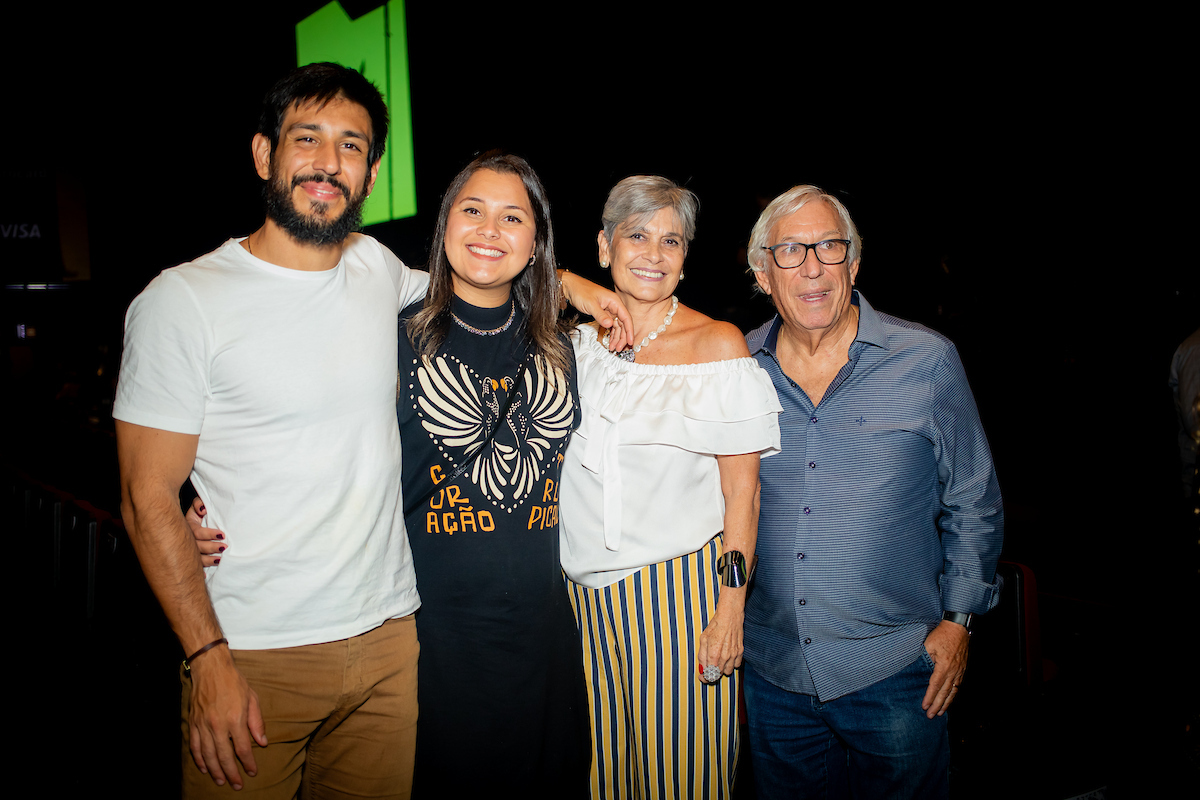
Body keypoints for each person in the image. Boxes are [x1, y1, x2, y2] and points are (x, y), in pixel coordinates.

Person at [116, 63, 626, 798]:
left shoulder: (376, 271)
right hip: (257, 653)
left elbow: (486, 271)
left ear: (371, 172)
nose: (328, 163)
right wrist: (208, 656)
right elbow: (144, 496)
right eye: (308, 140)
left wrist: (571, 281)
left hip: (391, 645)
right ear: (265, 154)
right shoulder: (185, 299)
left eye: (350, 146)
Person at [739, 185, 1004, 799]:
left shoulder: (928, 360)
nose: (813, 266)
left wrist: (959, 621)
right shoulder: (734, 370)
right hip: (774, 675)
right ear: (762, 274)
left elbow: (975, 499)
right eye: (791, 251)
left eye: (830, 247)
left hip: (897, 674)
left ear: (853, 264)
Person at [558, 176, 782, 799]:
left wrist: (731, 609)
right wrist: (575, 287)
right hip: (581, 604)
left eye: (671, 241)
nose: (653, 254)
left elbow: (744, 493)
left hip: (677, 600)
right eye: (637, 236)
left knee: (680, 783)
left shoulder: (716, 344)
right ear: (604, 248)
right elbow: (510, 284)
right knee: (603, 780)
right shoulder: (575, 343)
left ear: (686, 258)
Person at [396, 152, 592, 797]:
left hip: (546, 639)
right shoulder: (393, 337)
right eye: (472, 210)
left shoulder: (567, 348)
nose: (489, 230)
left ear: (537, 243)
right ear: (445, 223)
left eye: (513, 217)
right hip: (434, 642)